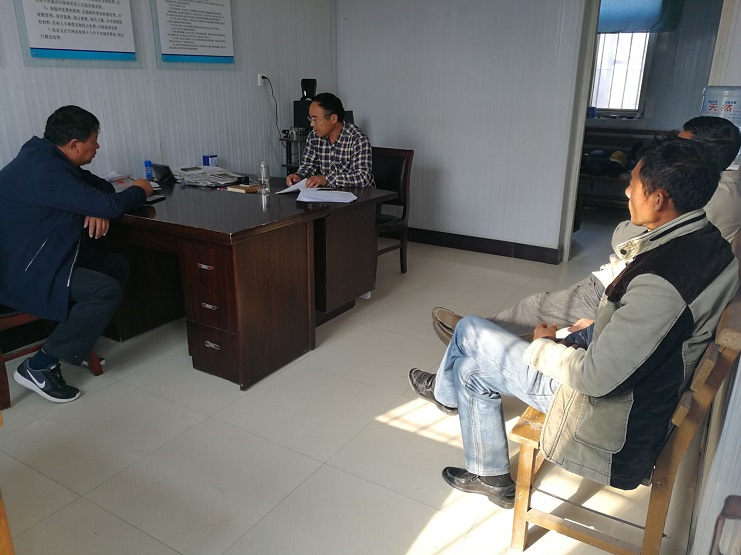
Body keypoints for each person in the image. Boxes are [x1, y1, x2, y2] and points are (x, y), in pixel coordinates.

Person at [409, 138, 739, 508]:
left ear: (659, 199)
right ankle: (490, 475)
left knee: (470, 330)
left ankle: (444, 394)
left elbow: (595, 379)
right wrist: (599, 327)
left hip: (608, 413)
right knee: (470, 369)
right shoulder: (709, 243)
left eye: (633, 184)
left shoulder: (663, 281)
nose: (627, 191)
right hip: (638, 387)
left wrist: (543, 347)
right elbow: (654, 331)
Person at [432, 116, 741, 342]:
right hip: (627, 278)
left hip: (622, 285)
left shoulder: (709, 198)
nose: (628, 191)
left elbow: (624, 239)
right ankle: (477, 334)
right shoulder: (723, 190)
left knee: (538, 308)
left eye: (681, 144)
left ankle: (473, 337)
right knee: (538, 309)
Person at [0, 105, 154, 403]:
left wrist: (94, 207)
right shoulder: (45, 170)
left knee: (116, 266)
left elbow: (100, 188)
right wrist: (139, 189)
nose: (98, 146)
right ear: (74, 144)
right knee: (105, 291)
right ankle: (39, 366)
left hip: (40, 257)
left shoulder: (45, 155)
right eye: (94, 140)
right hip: (22, 272)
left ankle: (74, 343)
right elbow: (109, 203)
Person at [285, 92, 375, 189]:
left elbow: (362, 178)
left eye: (315, 119)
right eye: (310, 118)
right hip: (329, 194)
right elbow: (309, 166)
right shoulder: (314, 136)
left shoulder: (357, 138)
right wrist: (299, 176)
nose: (311, 124)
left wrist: (327, 179)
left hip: (360, 195)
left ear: (333, 118)